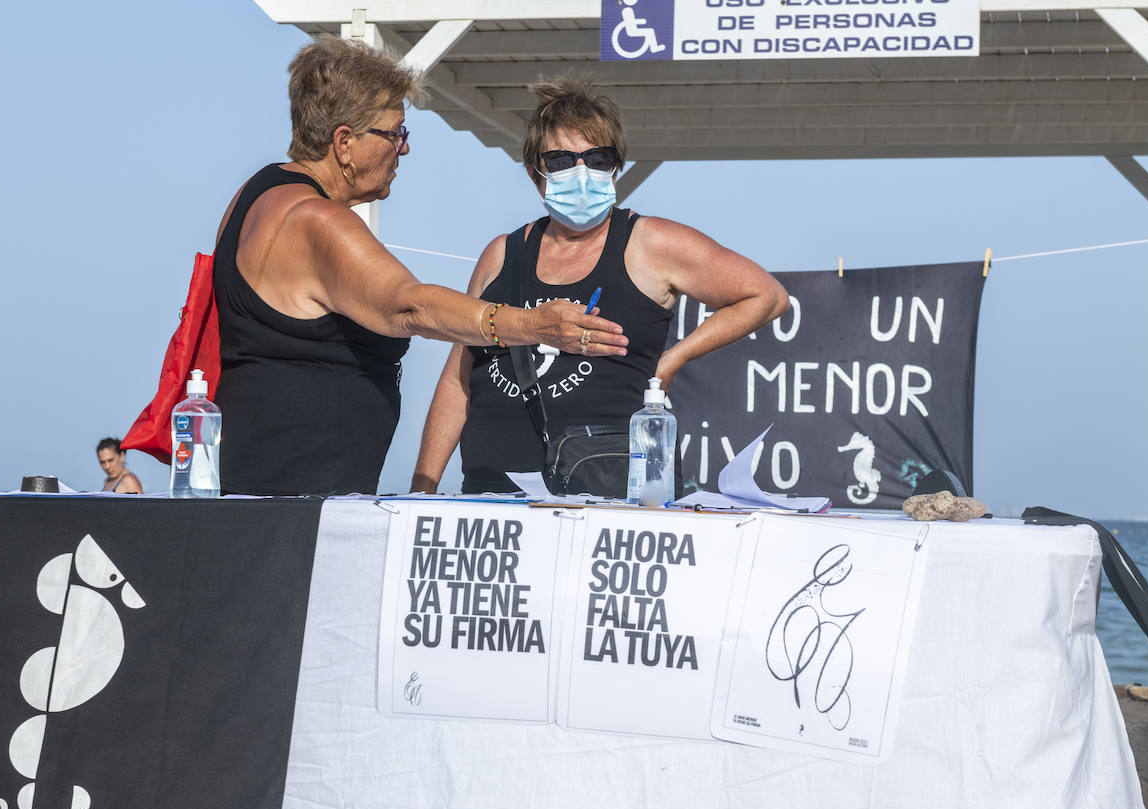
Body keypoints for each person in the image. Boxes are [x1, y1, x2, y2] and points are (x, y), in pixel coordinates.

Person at [211, 37, 628, 497]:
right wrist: (532, 325)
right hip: (297, 500)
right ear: (344, 143)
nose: (403, 149)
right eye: (394, 133)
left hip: (249, 476)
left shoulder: (255, 195)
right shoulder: (318, 221)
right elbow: (408, 309)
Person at [411, 79, 790, 494]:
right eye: (559, 160)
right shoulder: (502, 254)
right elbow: (457, 380)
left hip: (610, 505)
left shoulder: (650, 243)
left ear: (615, 167)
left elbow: (765, 296)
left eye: (596, 158)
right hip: (491, 503)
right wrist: (421, 488)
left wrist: (672, 361)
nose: (580, 172)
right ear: (534, 172)